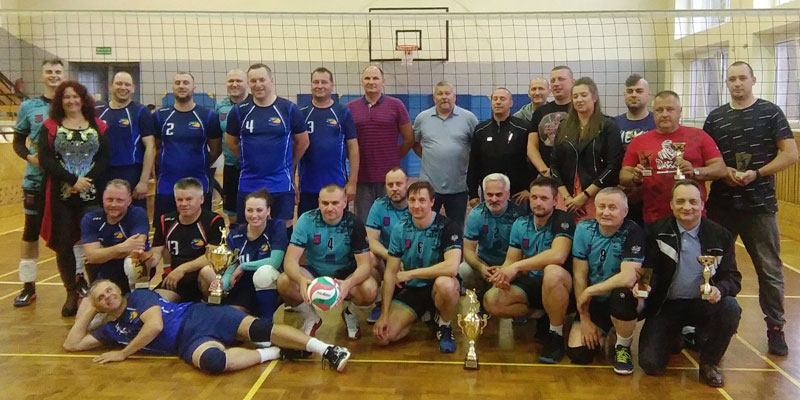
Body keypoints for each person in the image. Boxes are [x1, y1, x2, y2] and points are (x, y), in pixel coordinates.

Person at [704, 61, 798, 356]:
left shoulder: (770, 112)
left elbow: (791, 154)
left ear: (753, 80)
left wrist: (757, 173)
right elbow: (706, 158)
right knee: (710, 266)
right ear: (727, 83)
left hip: (760, 205)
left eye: (742, 78)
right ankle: (706, 323)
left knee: (769, 270)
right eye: (732, 79)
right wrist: (725, 172)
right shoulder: (716, 117)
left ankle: (775, 328)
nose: (737, 83)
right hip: (721, 205)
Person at [63, 280, 352, 373]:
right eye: (101, 298)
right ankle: (278, 352)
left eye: (110, 290)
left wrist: (123, 353)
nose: (108, 296)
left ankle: (327, 349)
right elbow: (72, 344)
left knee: (260, 329)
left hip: (198, 316)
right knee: (214, 362)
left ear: (119, 289)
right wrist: (87, 310)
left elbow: (154, 326)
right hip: (186, 344)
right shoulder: (110, 330)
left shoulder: (139, 296)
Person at [637, 180, 742, 387]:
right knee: (650, 364)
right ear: (671, 204)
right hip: (667, 306)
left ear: (702, 204)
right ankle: (678, 336)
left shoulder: (720, 235)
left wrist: (719, 290)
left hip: (703, 305)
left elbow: (733, 278)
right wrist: (643, 286)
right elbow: (647, 267)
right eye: (680, 201)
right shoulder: (656, 231)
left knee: (731, 307)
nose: (687, 207)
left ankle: (709, 363)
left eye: (693, 201)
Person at [482, 176, 574, 364]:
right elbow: (511, 260)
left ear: (555, 200)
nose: (538, 203)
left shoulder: (563, 220)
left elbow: (558, 255)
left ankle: (555, 335)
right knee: (491, 300)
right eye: (534, 197)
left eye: (544, 198)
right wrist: (503, 275)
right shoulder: (521, 223)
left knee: (552, 272)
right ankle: (545, 315)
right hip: (533, 284)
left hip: (562, 285)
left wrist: (516, 267)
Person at [38, 80, 109, 316]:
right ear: (60, 101)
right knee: (64, 243)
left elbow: (104, 158)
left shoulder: (98, 125)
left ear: (83, 99)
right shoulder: (50, 126)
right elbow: (46, 159)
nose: (71, 101)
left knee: (93, 242)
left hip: (91, 193)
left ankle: (97, 290)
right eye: (66, 97)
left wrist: (86, 181)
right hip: (62, 194)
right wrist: (71, 180)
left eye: (75, 96)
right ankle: (71, 291)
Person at [277, 184, 377, 339]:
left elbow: (365, 266)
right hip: (315, 272)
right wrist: (300, 280)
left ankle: (350, 313)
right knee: (284, 281)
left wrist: (348, 283)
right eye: (325, 203)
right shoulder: (307, 220)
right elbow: (290, 260)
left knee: (369, 289)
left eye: (335, 203)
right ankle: (311, 317)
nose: (330, 208)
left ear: (344, 202)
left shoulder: (354, 223)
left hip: (345, 275)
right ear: (318, 202)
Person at [373, 181, 462, 353]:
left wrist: (410, 274)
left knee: (446, 284)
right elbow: (390, 273)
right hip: (413, 290)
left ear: (432, 202)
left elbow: (452, 267)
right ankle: (422, 315)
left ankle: (444, 325)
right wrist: (384, 315)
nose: (416, 205)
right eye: (412, 200)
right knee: (384, 337)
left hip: (437, 286)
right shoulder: (401, 228)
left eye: (422, 200)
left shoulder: (448, 227)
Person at [566, 188, 645, 376]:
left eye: (612, 207)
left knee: (623, 294)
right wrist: (584, 317)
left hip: (621, 300)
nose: (606, 212)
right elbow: (579, 274)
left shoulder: (634, 231)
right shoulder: (584, 229)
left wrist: (590, 291)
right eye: (601, 207)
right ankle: (606, 330)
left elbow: (628, 276)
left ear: (625, 212)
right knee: (580, 354)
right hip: (595, 303)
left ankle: (623, 346)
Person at [619, 91, 726, 226]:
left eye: (670, 109)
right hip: (654, 218)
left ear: (680, 111)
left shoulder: (699, 136)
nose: (664, 114)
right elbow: (624, 175)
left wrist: (695, 171)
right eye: (659, 110)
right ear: (653, 113)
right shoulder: (639, 142)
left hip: (692, 216)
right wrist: (635, 177)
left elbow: (720, 169)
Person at [225, 63, 309, 230]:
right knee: (246, 229)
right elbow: (231, 142)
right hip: (249, 183)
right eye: (253, 81)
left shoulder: (289, 109)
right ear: (248, 83)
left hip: (280, 183)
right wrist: (248, 159)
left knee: (282, 229)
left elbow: (303, 142)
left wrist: (288, 164)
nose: (258, 85)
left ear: (271, 81)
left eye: (262, 80)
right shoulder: (239, 111)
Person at [12, 58, 65, 307]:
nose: (54, 75)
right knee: (30, 231)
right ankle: (28, 286)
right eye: (49, 72)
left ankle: (77, 282)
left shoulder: (72, 103)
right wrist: (29, 157)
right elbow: (18, 142)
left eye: (58, 72)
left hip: (65, 180)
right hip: (36, 180)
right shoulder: (29, 106)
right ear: (42, 76)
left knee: (71, 232)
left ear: (63, 76)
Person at [152, 72, 222, 225]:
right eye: (177, 83)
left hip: (198, 183)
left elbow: (216, 149)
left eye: (186, 83)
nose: (181, 86)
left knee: (200, 229)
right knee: (164, 229)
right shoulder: (160, 116)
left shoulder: (208, 116)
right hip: (167, 184)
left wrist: (199, 164)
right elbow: (154, 148)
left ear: (194, 87)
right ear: (172, 87)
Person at [550, 77, 622, 223]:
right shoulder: (564, 126)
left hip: (596, 196)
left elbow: (613, 166)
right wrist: (567, 198)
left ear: (594, 97)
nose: (579, 100)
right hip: (566, 197)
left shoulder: (608, 125)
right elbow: (554, 164)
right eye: (575, 96)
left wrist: (584, 196)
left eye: (584, 95)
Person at [347, 65, 414, 219]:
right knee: (365, 221)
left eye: (375, 78)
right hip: (362, 178)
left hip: (390, 179)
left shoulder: (396, 105)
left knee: (393, 221)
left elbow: (409, 138)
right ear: (361, 82)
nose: (371, 82)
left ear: (383, 81)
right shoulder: (350, 108)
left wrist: (393, 156)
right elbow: (346, 143)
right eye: (367, 78)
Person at [147, 178, 224, 303]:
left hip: (200, 278)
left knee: (207, 272)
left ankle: (213, 307)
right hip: (175, 279)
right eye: (179, 200)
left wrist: (182, 269)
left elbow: (212, 256)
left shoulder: (213, 221)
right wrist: (144, 259)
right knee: (154, 304)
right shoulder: (165, 221)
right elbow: (156, 254)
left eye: (189, 199)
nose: (183, 204)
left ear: (201, 199)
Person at [413, 81, 478, 227]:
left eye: (447, 93)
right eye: (440, 94)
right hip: (429, 186)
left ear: (454, 96)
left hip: (458, 186)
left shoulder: (469, 118)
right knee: (426, 226)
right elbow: (414, 143)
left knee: (456, 228)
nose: (444, 97)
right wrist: (430, 156)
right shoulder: (422, 118)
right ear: (434, 97)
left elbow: (477, 147)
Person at [298, 67, 359, 215]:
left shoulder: (342, 112)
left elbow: (353, 148)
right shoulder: (301, 112)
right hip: (308, 185)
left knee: (337, 225)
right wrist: (294, 181)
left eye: (324, 82)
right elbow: (295, 148)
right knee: (308, 225)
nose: (320, 86)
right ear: (311, 85)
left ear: (332, 85)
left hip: (336, 184)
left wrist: (352, 182)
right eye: (316, 82)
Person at [220, 190, 287, 323]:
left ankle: (266, 321)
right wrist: (222, 284)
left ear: (268, 211)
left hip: (271, 284)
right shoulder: (235, 234)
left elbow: (274, 262)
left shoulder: (277, 226)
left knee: (264, 273)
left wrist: (243, 266)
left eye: (259, 210)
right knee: (230, 319)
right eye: (249, 210)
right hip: (243, 286)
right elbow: (231, 266)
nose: (254, 215)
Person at [95, 71, 155, 210]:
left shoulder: (141, 111)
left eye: (127, 84)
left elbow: (150, 147)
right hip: (103, 171)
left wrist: (144, 181)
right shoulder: (99, 112)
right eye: (119, 83)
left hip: (131, 171)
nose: (123, 87)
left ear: (133, 88)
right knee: (107, 212)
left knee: (133, 214)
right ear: (110, 86)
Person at [467, 87, 533, 211]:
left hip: (518, 195)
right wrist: (473, 193)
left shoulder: (523, 128)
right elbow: (474, 163)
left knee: (519, 223)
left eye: (502, 99)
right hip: (490, 194)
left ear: (511, 103)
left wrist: (529, 189)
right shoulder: (481, 129)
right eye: (495, 99)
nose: (498, 102)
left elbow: (532, 161)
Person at [81, 179, 150, 295]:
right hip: (102, 275)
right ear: (103, 199)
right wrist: (122, 247)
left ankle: (137, 295)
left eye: (119, 200)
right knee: (87, 305)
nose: (113, 205)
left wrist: (102, 253)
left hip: (129, 274)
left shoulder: (138, 214)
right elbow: (91, 257)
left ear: (129, 201)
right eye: (109, 199)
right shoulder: (91, 219)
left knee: (133, 261)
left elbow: (136, 249)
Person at [460, 173, 520, 294]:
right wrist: (482, 267)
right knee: (464, 270)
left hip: (511, 265)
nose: (494, 199)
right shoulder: (476, 214)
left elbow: (524, 252)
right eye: (489, 195)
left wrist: (505, 269)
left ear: (508, 194)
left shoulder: (519, 215)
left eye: (499, 194)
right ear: (484, 194)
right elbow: (468, 250)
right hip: (484, 263)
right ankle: (478, 295)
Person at [364, 167, 410, 323]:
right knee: (369, 257)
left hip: (412, 257)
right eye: (390, 185)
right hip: (388, 257)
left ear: (407, 184)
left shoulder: (416, 204)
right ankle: (380, 301)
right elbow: (371, 240)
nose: (394, 188)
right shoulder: (379, 206)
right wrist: (391, 257)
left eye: (399, 184)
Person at [614, 74, 655, 226]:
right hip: (621, 189)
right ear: (624, 94)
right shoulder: (614, 123)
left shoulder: (657, 122)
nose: (634, 94)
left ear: (648, 94)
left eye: (639, 91)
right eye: (630, 91)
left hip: (651, 191)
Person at [215, 69, 250, 223]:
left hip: (253, 167)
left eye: (238, 81)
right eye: (231, 81)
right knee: (232, 212)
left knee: (257, 207)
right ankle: (236, 236)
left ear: (247, 83)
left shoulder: (255, 103)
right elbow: (215, 137)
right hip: (231, 166)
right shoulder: (220, 106)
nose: (234, 84)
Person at [528, 66, 575, 177]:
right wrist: (543, 170)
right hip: (547, 174)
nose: (556, 84)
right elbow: (531, 146)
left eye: (561, 79)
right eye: (553, 80)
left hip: (574, 173)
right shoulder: (540, 111)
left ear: (573, 82)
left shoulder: (578, 109)